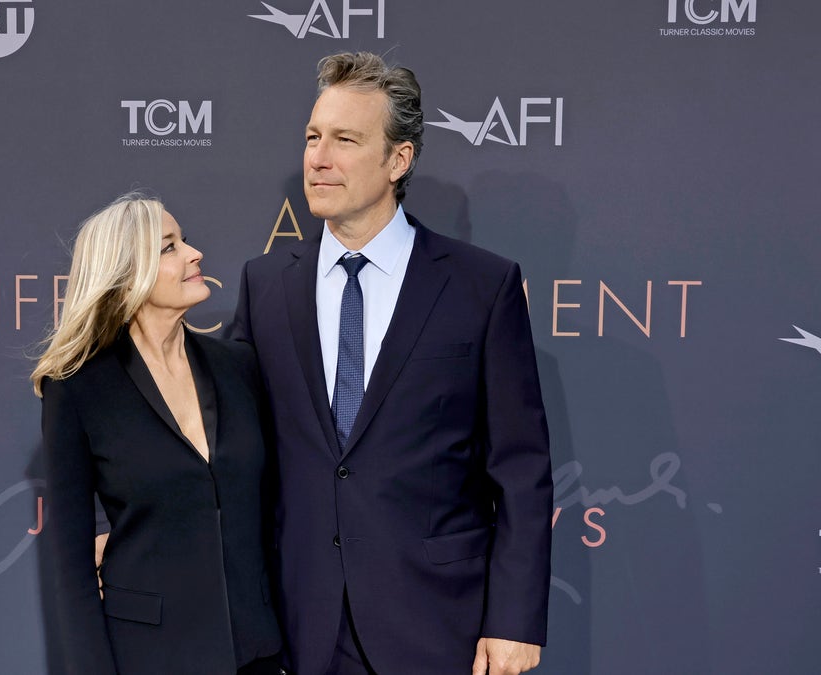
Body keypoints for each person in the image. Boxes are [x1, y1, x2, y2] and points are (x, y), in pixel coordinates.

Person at [229, 53, 552, 675]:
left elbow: (520, 470)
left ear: (398, 159)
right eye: (312, 137)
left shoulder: (481, 285)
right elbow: (231, 442)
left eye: (345, 140)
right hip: (296, 626)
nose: (319, 158)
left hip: (436, 623)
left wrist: (513, 620)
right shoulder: (265, 284)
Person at [34, 193, 282, 674]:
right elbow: (73, 570)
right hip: (150, 656)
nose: (195, 254)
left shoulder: (239, 366)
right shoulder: (78, 390)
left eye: (183, 241)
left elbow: (273, 515)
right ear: (125, 274)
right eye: (169, 247)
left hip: (257, 653)